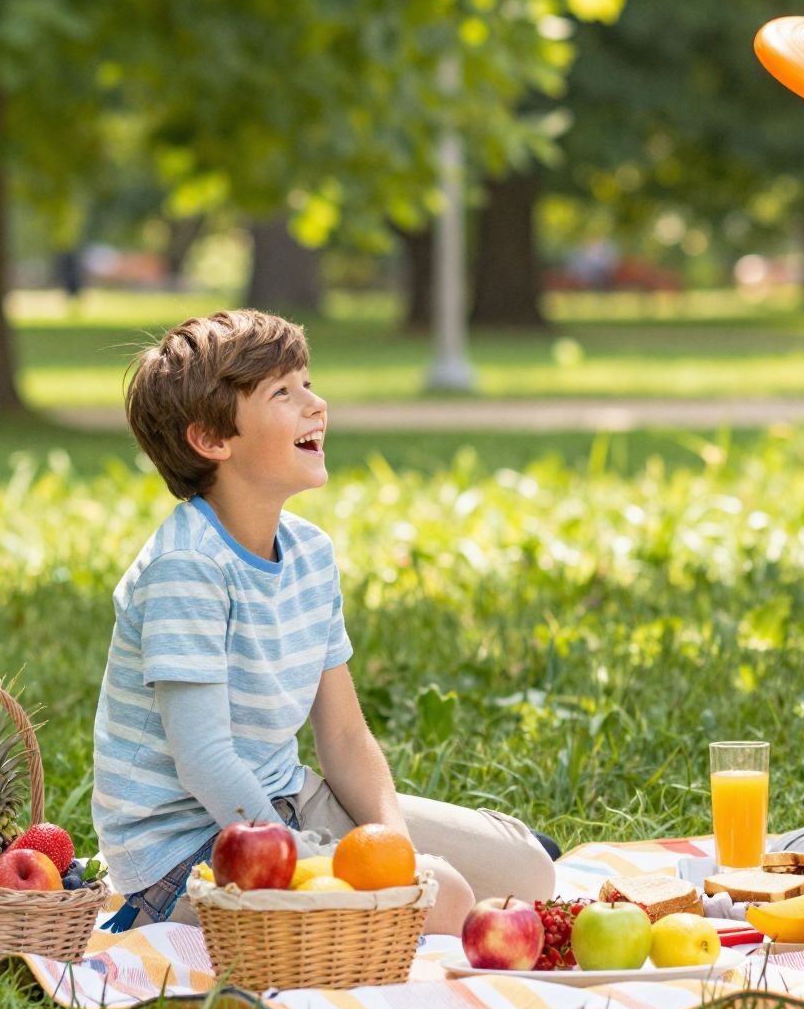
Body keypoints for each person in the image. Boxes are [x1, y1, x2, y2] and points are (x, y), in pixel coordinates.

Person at [93, 310, 555, 935]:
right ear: (212, 440)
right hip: (189, 853)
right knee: (444, 897)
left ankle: (467, 858)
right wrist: (304, 859)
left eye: (306, 382)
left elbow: (342, 736)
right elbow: (204, 758)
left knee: (530, 875)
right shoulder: (186, 568)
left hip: (288, 800)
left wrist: (393, 849)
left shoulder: (309, 552)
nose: (317, 403)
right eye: (284, 393)